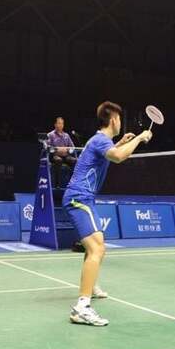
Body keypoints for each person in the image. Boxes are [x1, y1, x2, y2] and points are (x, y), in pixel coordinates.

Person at [64, 101, 152, 326]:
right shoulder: (100, 140)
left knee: (96, 245)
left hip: (84, 198)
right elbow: (118, 157)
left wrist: (123, 142)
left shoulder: (100, 140)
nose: (120, 123)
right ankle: (82, 307)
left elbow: (112, 153)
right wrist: (140, 138)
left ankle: (90, 285)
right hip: (79, 198)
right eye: (119, 119)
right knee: (97, 248)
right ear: (113, 120)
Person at [47, 117, 76, 187]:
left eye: (62, 124)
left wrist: (68, 150)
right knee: (58, 160)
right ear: (55, 124)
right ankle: (57, 184)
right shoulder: (50, 135)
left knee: (75, 160)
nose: (61, 125)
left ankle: (73, 183)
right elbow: (48, 148)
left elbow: (72, 147)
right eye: (59, 123)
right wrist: (57, 150)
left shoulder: (66, 135)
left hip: (65, 156)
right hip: (54, 156)